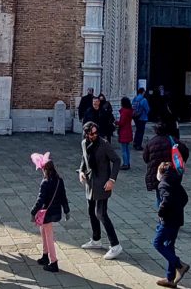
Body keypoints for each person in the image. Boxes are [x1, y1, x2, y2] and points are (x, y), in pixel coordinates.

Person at [78, 119, 122, 259]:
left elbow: (116, 160)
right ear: (86, 134)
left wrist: (112, 180)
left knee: (101, 214)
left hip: (103, 184)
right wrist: (81, 171)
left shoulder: (104, 144)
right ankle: (96, 239)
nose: (94, 136)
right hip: (90, 184)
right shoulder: (84, 143)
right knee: (91, 212)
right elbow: (84, 159)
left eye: (96, 133)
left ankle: (115, 245)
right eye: (91, 134)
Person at [30, 152, 70, 273]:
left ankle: (53, 262)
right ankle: (45, 255)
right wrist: (67, 211)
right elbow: (63, 196)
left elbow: (40, 200)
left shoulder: (45, 182)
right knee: (43, 231)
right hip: (56, 212)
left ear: (44, 169)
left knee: (49, 236)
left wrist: (33, 212)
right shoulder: (59, 180)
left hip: (47, 213)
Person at [153, 159, 191, 287]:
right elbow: (185, 197)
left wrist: (161, 213)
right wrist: (178, 208)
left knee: (157, 243)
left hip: (168, 221)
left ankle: (179, 265)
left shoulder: (163, 184)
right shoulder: (175, 180)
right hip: (177, 219)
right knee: (169, 245)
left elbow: (166, 199)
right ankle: (170, 278)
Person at [143, 122, 174, 211]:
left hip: (157, 172)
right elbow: (184, 151)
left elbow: (145, 158)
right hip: (171, 171)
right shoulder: (172, 140)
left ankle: (161, 215)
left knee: (159, 194)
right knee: (170, 193)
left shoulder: (151, 142)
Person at [117, 97, 134, 170]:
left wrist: (116, 122)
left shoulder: (124, 112)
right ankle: (128, 162)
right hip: (128, 131)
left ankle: (125, 163)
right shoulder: (130, 111)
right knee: (127, 149)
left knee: (124, 149)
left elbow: (122, 122)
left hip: (124, 132)